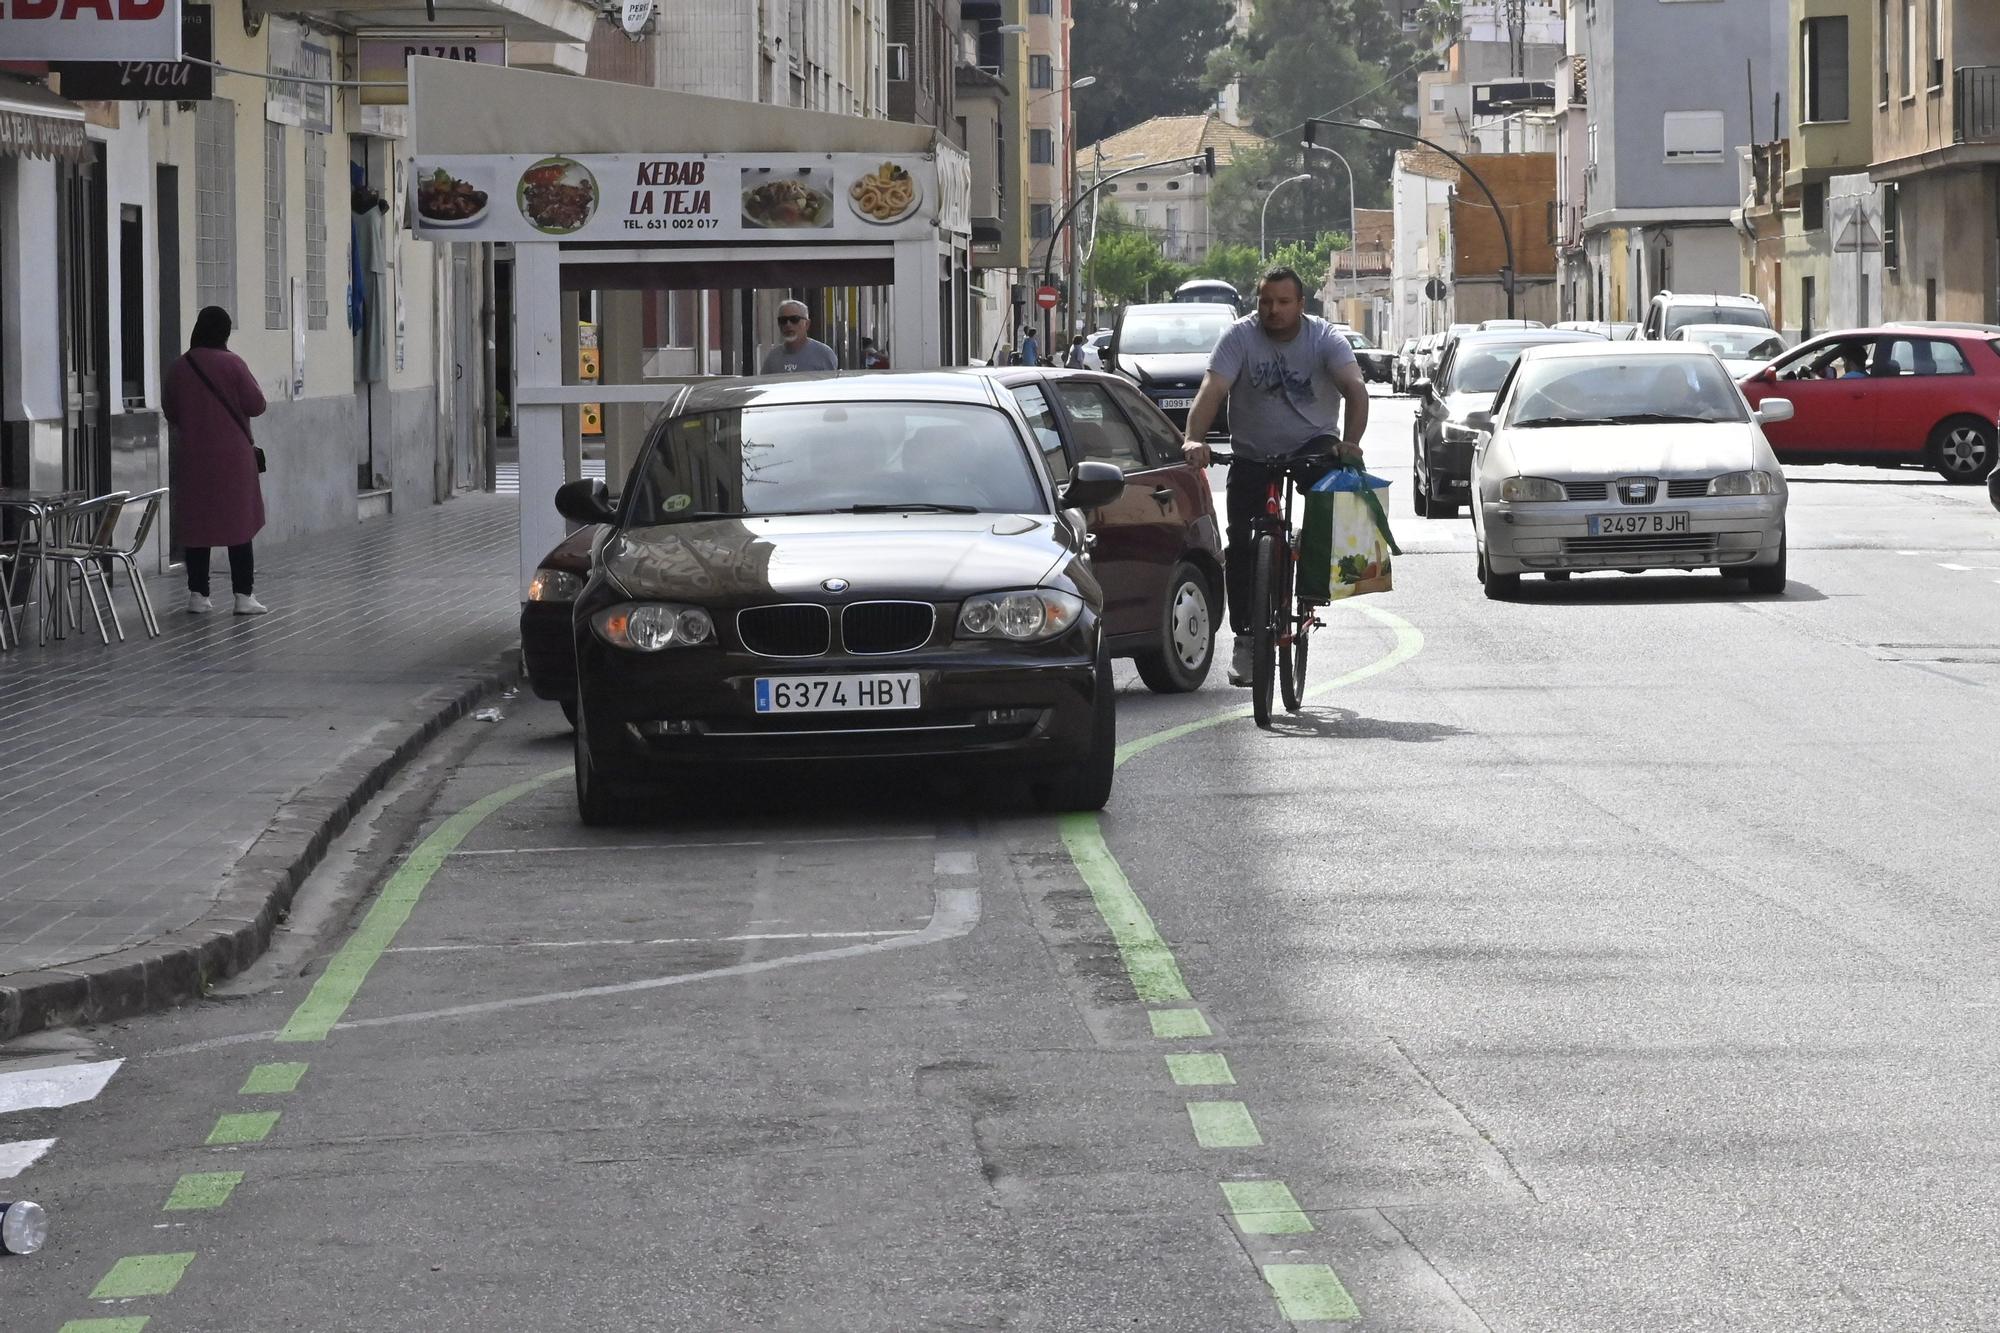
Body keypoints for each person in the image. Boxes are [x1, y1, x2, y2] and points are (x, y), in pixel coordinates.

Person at [1181, 266, 1370, 686]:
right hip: (1252, 451)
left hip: (1312, 443)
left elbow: (1355, 390)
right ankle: (1246, 639)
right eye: (1266, 301)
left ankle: (1314, 582)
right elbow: (1211, 391)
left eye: (1284, 302)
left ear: (1301, 305)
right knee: (1241, 544)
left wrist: (1351, 442)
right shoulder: (1239, 337)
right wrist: (1194, 439)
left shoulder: (1324, 338)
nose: (1273, 310)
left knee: (1329, 492)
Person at [161, 307, 270, 616]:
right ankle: (243, 595)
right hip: (234, 458)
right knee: (239, 524)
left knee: (198, 524)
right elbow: (256, 404)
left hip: (193, 456)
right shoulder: (233, 363)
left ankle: (198, 594)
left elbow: (171, 410)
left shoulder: (180, 367)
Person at [760, 300, 838, 374]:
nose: (788, 325)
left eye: (794, 319)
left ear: (807, 324)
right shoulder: (773, 358)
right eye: (783, 320)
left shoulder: (823, 354)